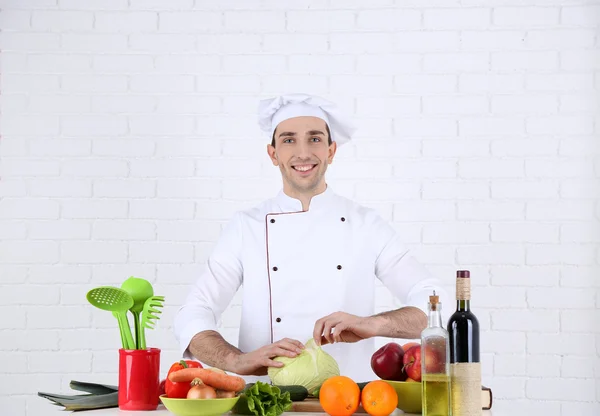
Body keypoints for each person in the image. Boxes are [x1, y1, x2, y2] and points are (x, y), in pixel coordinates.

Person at [173, 93, 449, 383]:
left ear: (331, 151)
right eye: (289, 140)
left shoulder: (367, 225)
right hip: (265, 400)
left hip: (349, 399)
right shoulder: (246, 227)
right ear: (273, 153)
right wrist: (235, 359)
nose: (303, 153)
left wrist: (373, 324)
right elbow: (193, 311)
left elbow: (435, 300)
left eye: (315, 139)